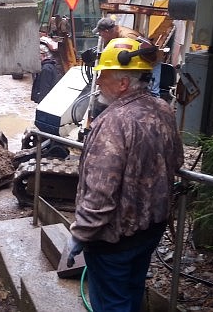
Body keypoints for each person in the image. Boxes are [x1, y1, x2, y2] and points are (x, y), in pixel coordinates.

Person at [66, 38, 184, 311]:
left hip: (114, 239)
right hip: (150, 229)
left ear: (122, 83)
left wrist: (80, 235)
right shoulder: (163, 109)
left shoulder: (112, 123)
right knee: (132, 290)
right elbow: (176, 161)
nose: (97, 83)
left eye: (102, 76)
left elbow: (99, 193)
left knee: (112, 303)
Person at [93, 17, 163, 97]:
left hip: (151, 61)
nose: (101, 37)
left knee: (152, 92)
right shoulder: (117, 34)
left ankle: (153, 107)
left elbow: (139, 55)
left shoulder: (127, 36)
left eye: (101, 34)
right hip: (142, 62)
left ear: (106, 31)